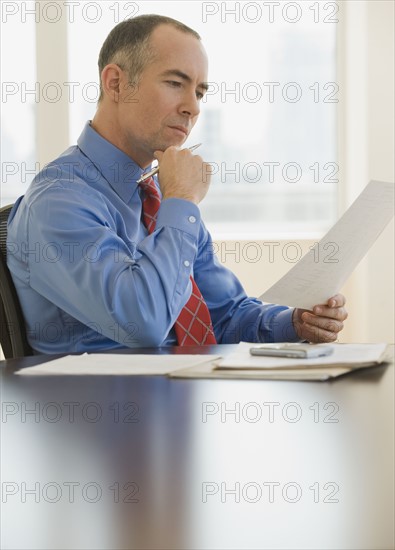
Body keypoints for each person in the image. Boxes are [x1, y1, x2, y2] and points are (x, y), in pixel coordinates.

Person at [7, 14, 347, 354]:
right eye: (174, 83)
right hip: (104, 403)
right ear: (115, 83)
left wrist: (294, 321)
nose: (192, 107)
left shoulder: (160, 197)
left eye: (199, 91)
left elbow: (223, 315)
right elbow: (146, 323)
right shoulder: (59, 200)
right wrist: (182, 199)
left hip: (183, 393)